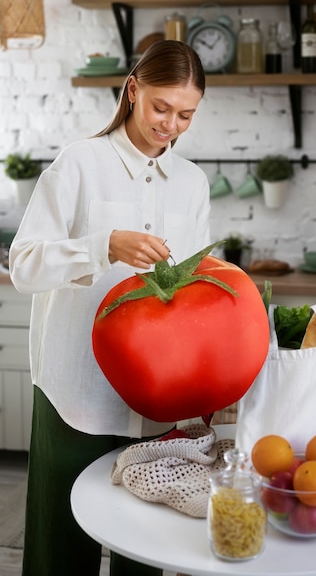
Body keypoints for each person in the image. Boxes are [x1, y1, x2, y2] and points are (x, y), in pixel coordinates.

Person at [9, 40, 211, 576]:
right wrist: (103, 246)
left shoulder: (192, 183)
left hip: (155, 395)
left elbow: (196, 289)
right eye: (160, 108)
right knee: (60, 545)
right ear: (132, 90)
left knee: (144, 546)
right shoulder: (80, 162)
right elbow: (24, 265)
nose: (170, 124)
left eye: (185, 114)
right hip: (76, 389)